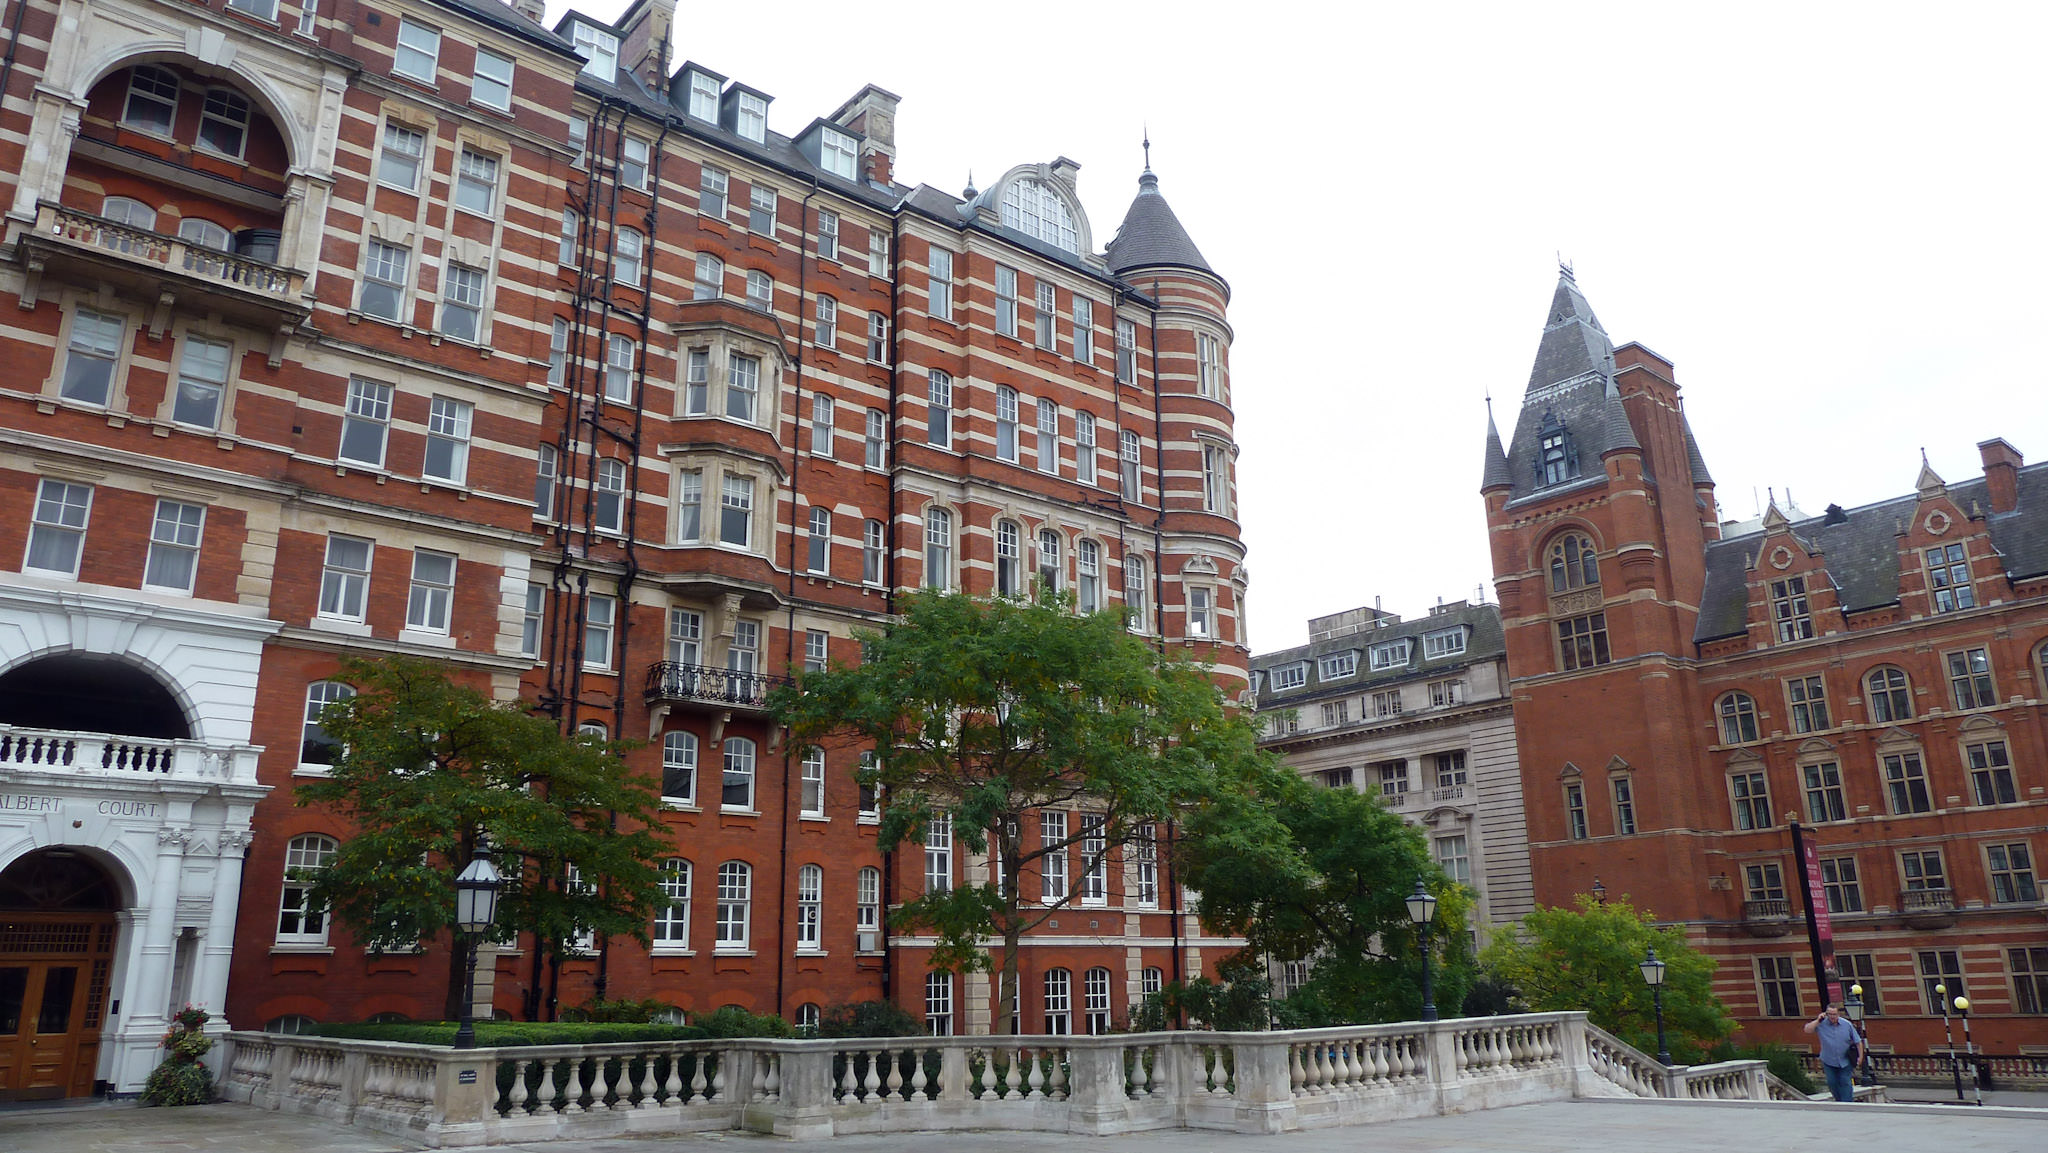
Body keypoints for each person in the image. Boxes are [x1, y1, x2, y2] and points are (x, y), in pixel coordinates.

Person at [1804, 1002, 1864, 1102]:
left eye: (1834, 1014)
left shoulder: (1847, 1024)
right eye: (1830, 1014)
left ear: (1838, 1014)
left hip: (1845, 1059)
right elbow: (1807, 1030)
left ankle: (1847, 1103)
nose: (1832, 1017)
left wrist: (1860, 1057)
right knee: (1832, 1082)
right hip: (1828, 1060)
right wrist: (1818, 1020)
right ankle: (1839, 1100)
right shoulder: (1821, 1024)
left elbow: (1858, 1041)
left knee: (1845, 1081)